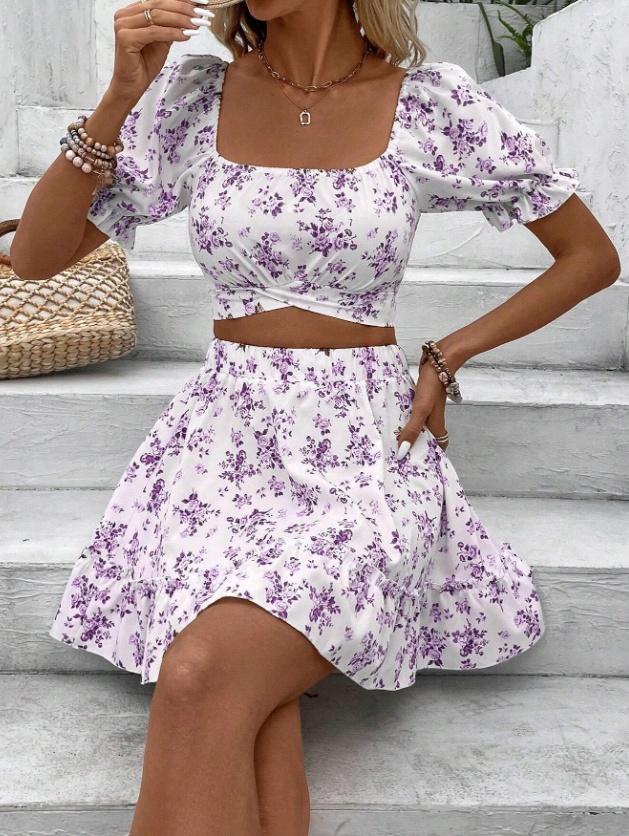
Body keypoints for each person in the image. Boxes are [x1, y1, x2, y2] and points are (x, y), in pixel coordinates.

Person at [11, 0, 620, 834]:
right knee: (239, 707)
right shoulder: (194, 98)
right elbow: (35, 258)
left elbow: (590, 256)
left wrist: (448, 353)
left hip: (363, 453)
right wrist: (120, 97)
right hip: (219, 457)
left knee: (199, 677)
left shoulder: (430, 103)